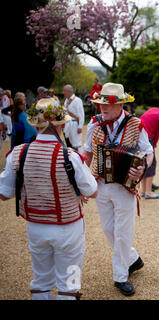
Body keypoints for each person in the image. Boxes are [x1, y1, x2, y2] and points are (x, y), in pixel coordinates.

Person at [0, 97, 98, 300]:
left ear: (36, 125)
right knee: (69, 282)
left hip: (36, 226)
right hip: (68, 226)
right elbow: (92, 191)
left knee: (41, 280)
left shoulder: (17, 154)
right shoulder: (70, 156)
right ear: (60, 124)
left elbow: (4, 194)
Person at [84, 83, 154, 296]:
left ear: (120, 104)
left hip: (125, 186)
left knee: (123, 233)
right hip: (100, 183)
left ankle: (120, 276)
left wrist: (141, 170)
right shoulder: (94, 124)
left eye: (106, 104)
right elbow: (87, 154)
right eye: (100, 103)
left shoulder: (136, 123)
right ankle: (132, 259)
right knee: (108, 229)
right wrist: (82, 183)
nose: (101, 107)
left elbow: (148, 153)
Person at [61, 85, 84, 151]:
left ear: (69, 91)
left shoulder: (77, 100)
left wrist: (80, 126)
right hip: (68, 124)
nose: (63, 92)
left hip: (75, 124)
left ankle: (80, 158)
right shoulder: (66, 101)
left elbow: (81, 114)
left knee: (76, 144)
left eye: (64, 91)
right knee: (69, 142)